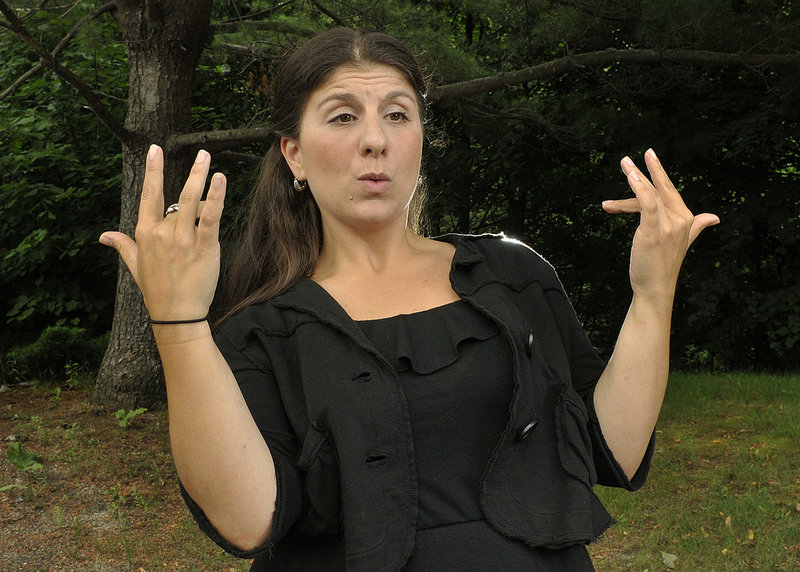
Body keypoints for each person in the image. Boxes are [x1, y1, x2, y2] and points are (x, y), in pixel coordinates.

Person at [99, 27, 719, 571]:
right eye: (343, 116)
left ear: (422, 140)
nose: (376, 140)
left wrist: (653, 292)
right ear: (295, 154)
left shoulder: (512, 275)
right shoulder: (263, 331)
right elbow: (247, 522)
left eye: (398, 114)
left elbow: (614, 451)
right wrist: (178, 322)